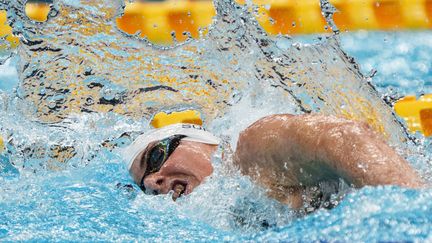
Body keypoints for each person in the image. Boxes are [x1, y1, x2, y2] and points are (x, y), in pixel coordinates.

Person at [122, 113, 424, 211]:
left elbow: (345, 137)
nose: (152, 182)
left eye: (156, 156)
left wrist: (413, 210)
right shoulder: (233, 208)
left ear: (201, 141)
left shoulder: (249, 149)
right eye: (145, 187)